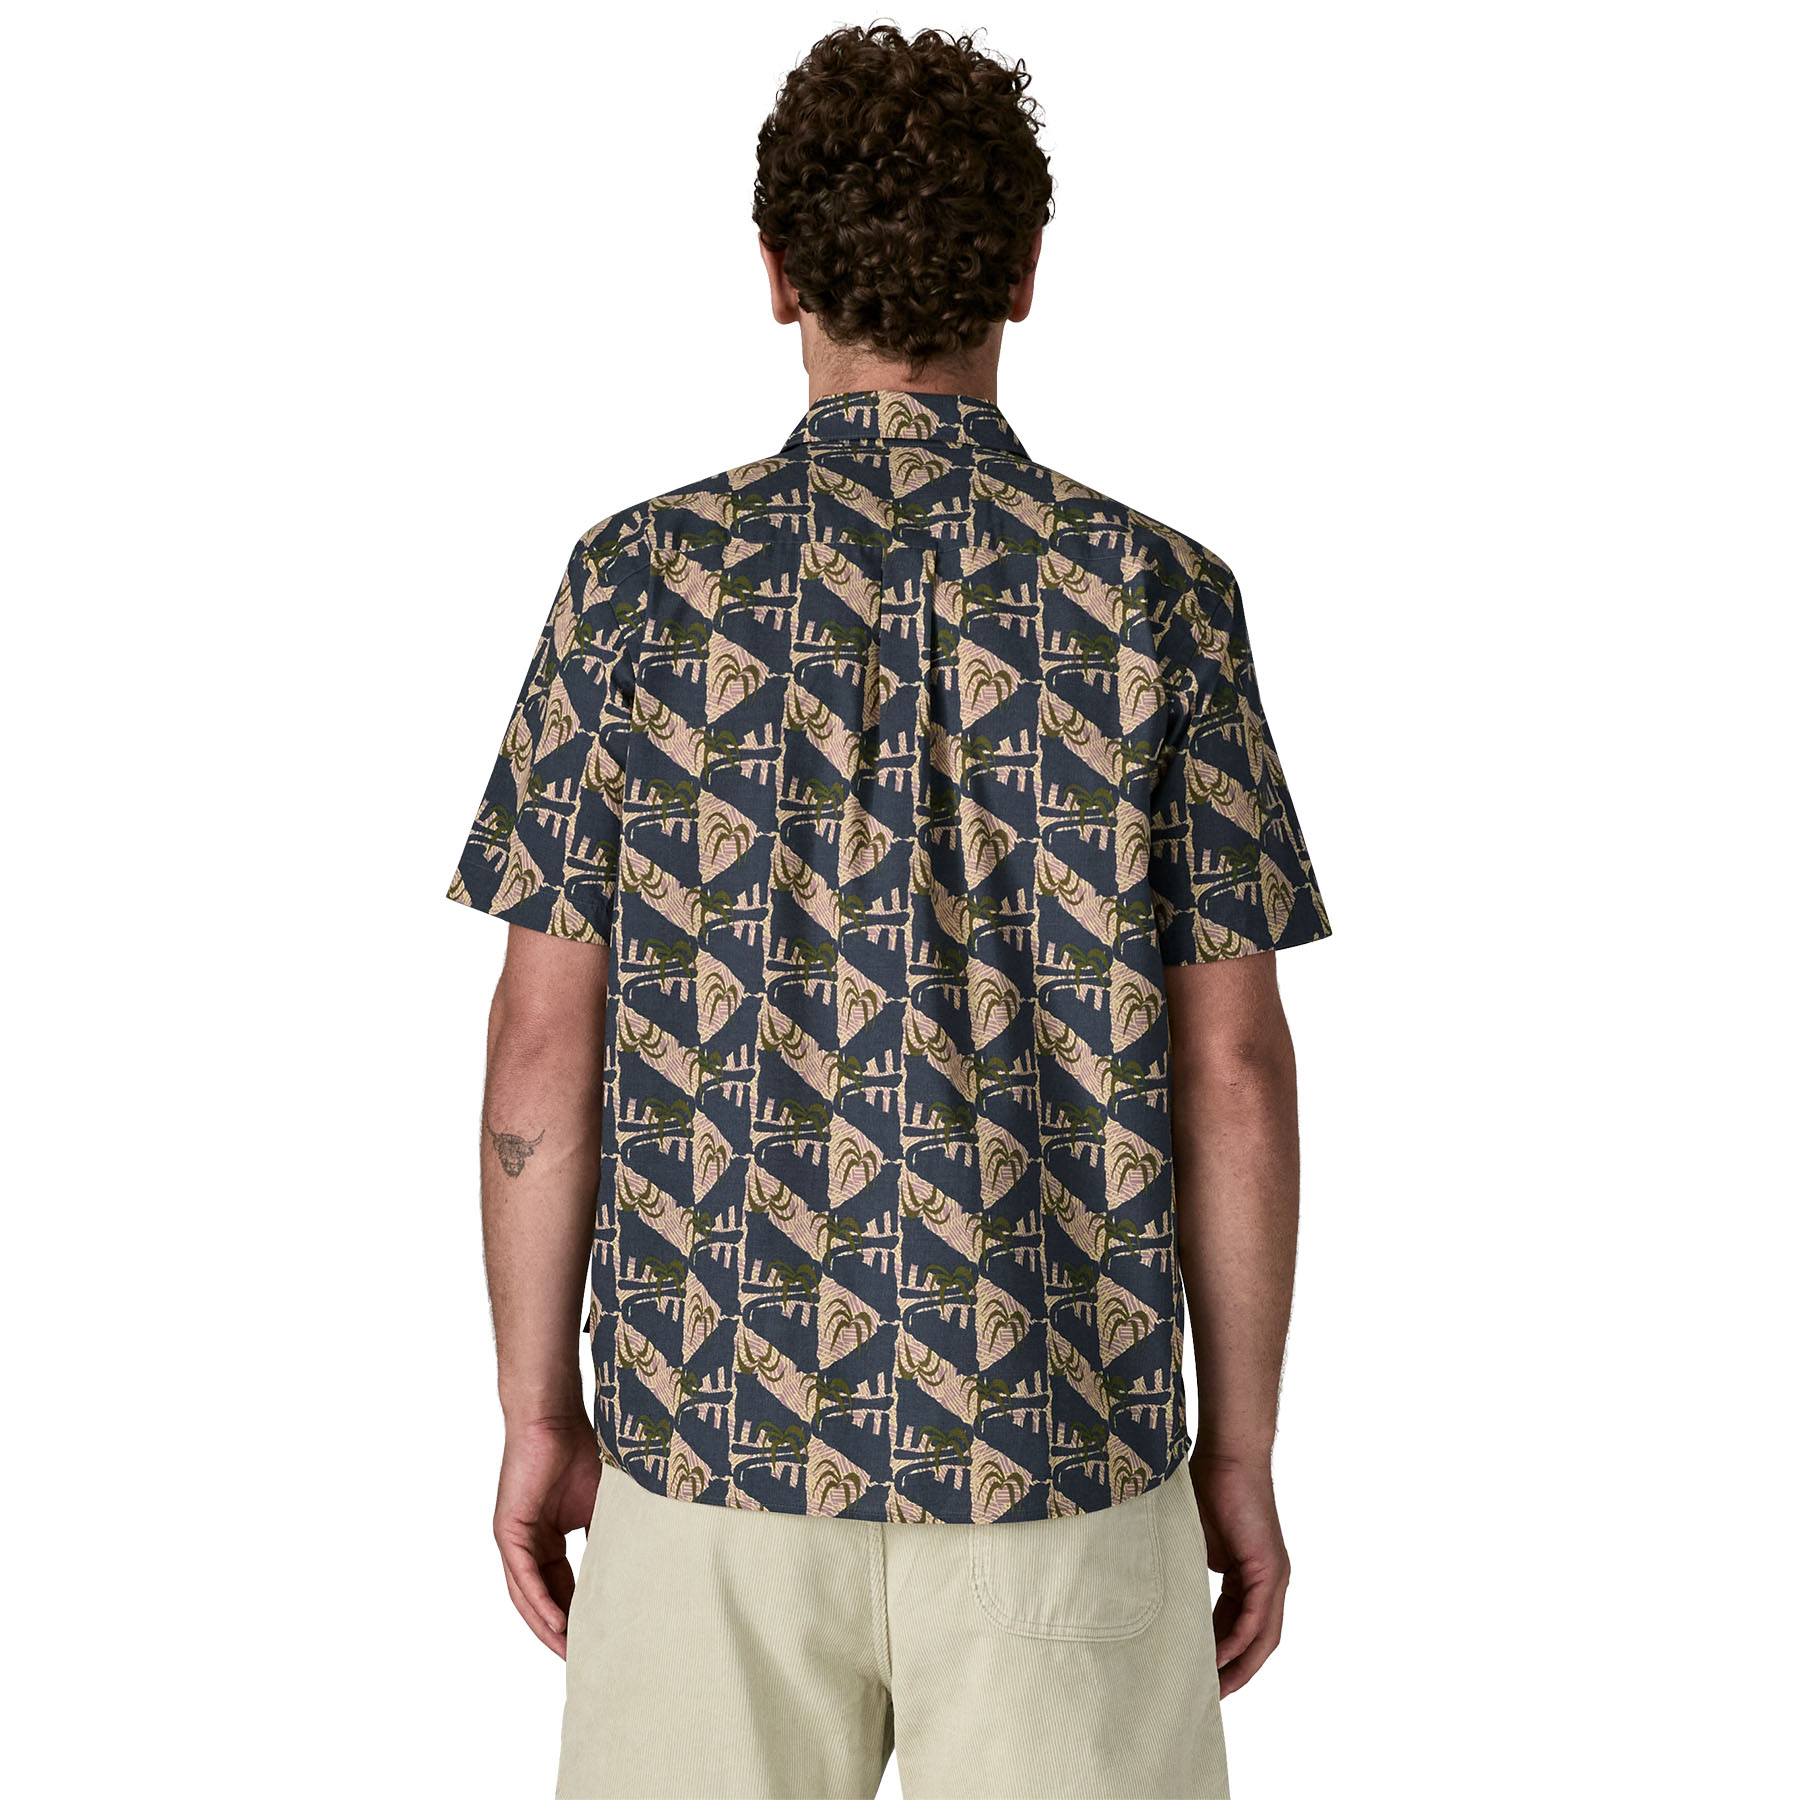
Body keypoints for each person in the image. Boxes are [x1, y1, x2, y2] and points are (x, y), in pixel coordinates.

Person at [447, 23, 1330, 1799]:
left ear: (777, 273)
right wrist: (1236, 1453)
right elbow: (1230, 1073)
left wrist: (542, 1411)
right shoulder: (1156, 598)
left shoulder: (641, 586)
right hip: (1057, 1460)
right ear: (1023, 272)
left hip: (708, 1461)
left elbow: (545, 1041)